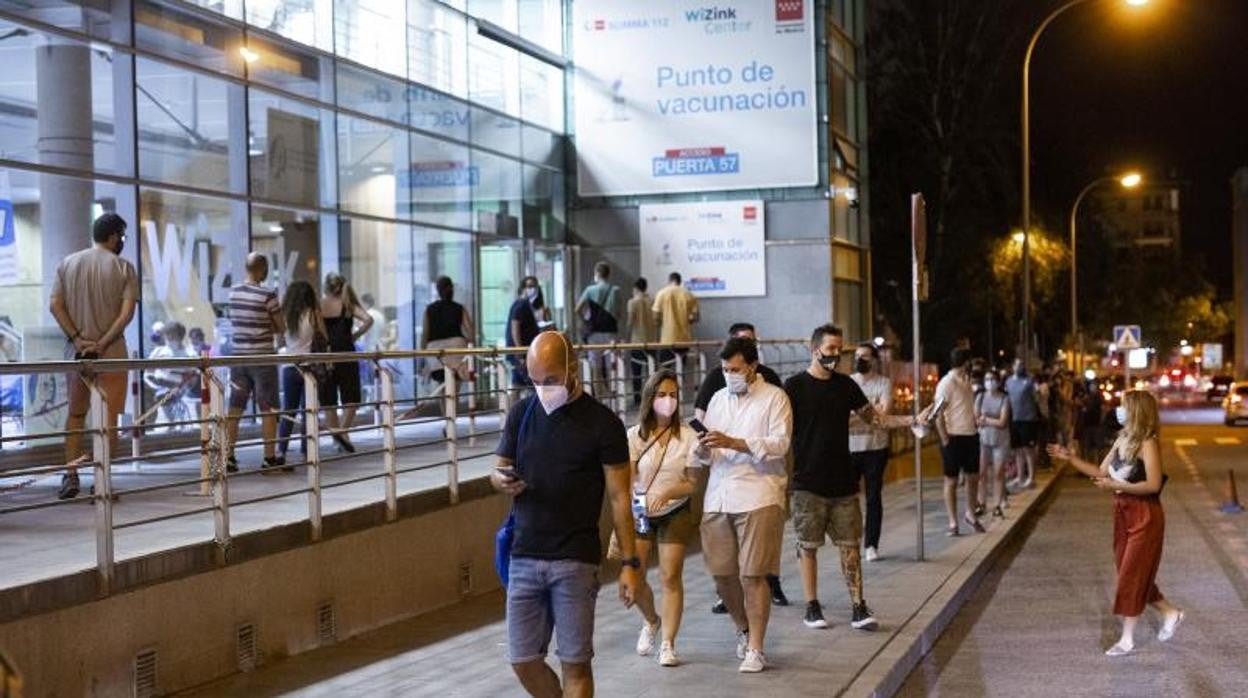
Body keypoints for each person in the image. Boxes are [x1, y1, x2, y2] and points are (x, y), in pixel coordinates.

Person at [490, 331, 639, 697]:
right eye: (535, 381)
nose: (543, 388)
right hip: (525, 554)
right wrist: (500, 480)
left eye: (551, 380)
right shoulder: (521, 414)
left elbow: (620, 498)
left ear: (573, 368)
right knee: (523, 659)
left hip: (575, 559)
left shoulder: (603, 424)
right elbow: (498, 467)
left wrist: (630, 565)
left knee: (575, 662)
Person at [1047, 390, 1184, 657]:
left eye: (1123, 406)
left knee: (1131, 575)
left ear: (1136, 412)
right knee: (1129, 572)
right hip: (1122, 513)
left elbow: (1153, 485)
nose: (1118, 410)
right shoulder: (1123, 439)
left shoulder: (1148, 443)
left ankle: (1127, 639)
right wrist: (1070, 458)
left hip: (1145, 515)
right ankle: (1171, 612)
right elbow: (1100, 471)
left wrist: (1117, 485)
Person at [695, 336, 792, 673]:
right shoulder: (718, 399)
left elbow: (780, 444)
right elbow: (707, 452)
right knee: (722, 575)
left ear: (752, 366)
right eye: (724, 369)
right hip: (718, 493)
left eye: (735, 369)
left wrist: (735, 441)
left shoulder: (775, 398)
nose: (729, 374)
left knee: (753, 574)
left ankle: (757, 648)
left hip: (759, 493)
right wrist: (703, 447)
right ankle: (743, 628)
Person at [786, 326, 880, 632]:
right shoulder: (795, 387)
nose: (836, 355)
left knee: (850, 544)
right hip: (807, 482)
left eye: (840, 349)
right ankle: (812, 606)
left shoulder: (846, 386)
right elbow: (779, 430)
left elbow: (874, 418)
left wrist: (913, 420)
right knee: (807, 545)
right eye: (830, 349)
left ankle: (858, 606)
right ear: (815, 350)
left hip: (843, 482)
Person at [48, 213, 139, 499]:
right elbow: (126, 315)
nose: (122, 242)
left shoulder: (68, 264)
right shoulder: (123, 267)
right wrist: (101, 343)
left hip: (75, 354)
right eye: (122, 237)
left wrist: (77, 338)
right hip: (111, 353)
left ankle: (70, 475)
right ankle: (101, 481)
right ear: (113, 236)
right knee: (108, 420)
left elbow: (55, 305)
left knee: (75, 414)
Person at [625, 369, 701, 667]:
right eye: (661, 395)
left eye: (673, 395)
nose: (668, 401)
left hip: (675, 510)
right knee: (637, 574)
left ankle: (668, 643)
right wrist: (639, 502)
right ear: (649, 398)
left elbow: (693, 483)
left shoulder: (689, 436)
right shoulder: (634, 436)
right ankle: (652, 621)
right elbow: (628, 479)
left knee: (670, 576)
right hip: (642, 510)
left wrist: (669, 491)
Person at [224, 253, 285, 473]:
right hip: (262, 358)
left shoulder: (233, 293)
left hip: (238, 358)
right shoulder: (268, 294)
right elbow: (280, 326)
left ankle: (228, 456)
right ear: (263, 269)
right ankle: (269, 458)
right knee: (268, 407)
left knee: (235, 407)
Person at [849, 342, 896, 563]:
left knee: (873, 497)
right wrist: (870, 409)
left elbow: (883, 415)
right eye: (858, 355)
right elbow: (843, 417)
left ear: (874, 359)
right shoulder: (848, 382)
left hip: (876, 448)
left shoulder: (884, 383)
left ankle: (871, 544)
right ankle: (851, 541)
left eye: (865, 356)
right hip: (850, 448)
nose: (860, 359)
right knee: (849, 498)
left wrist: (858, 413)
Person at [320, 272, 373, 453]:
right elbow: (368, 319)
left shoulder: (320, 305)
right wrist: (355, 336)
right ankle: (342, 433)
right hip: (346, 353)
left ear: (326, 287)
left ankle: (338, 437)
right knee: (351, 397)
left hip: (325, 354)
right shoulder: (348, 304)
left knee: (329, 399)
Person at [932, 347, 983, 536]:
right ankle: (953, 522)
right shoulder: (947, 383)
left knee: (973, 477)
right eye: (969, 362)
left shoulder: (966, 380)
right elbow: (937, 413)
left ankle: (970, 514)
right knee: (951, 481)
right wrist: (945, 439)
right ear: (964, 363)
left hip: (970, 435)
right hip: (953, 437)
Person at [277, 280, 324, 467]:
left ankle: (281, 451)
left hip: (289, 367)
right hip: (309, 368)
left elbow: (280, 342)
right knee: (308, 411)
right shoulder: (314, 314)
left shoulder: (285, 316)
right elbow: (324, 337)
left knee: (288, 410)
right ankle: (307, 452)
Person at [420, 276, 475, 391]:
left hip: (436, 351)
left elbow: (425, 334)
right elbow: (471, 332)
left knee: (442, 385)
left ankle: (445, 409)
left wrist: (422, 356)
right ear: (452, 289)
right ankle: (453, 408)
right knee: (455, 384)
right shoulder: (459, 308)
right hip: (456, 348)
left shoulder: (429, 309)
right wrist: (470, 343)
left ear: (438, 290)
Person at [575, 261, 621, 397]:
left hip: (594, 334)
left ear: (597, 274)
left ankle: (599, 398)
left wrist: (586, 320)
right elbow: (619, 313)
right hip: (610, 333)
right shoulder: (615, 290)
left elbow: (577, 309)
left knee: (596, 368)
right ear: (608, 274)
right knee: (611, 366)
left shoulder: (590, 290)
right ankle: (613, 398)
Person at [145, 321, 197, 427]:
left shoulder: (189, 354)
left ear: (180, 336)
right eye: (167, 334)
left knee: (178, 423)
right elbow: (148, 373)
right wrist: (156, 386)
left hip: (180, 392)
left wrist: (181, 388)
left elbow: (193, 377)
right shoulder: (158, 352)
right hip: (159, 391)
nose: (169, 338)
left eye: (172, 334)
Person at [975, 369, 1011, 518]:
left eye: (992, 379)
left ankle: (997, 505)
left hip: (1000, 441)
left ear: (998, 381)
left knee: (998, 473)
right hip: (984, 440)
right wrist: (985, 421)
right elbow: (976, 419)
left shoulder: (1004, 399)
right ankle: (981, 503)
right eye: (987, 379)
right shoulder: (980, 397)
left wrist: (987, 420)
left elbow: (1003, 422)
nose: (990, 382)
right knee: (981, 473)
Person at [651, 272, 699, 381]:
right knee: (680, 370)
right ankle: (679, 393)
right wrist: (686, 321)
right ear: (680, 281)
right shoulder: (688, 294)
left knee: (664, 371)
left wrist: (660, 324)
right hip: (684, 339)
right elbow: (695, 317)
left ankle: (666, 394)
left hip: (667, 339)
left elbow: (655, 315)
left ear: (669, 280)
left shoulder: (662, 293)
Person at [1005, 358, 1041, 489]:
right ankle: (1020, 477)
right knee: (1018, 450)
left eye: (1021, 364)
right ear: (1012, 366)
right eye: (1017, 364)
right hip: (1015, 419)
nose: (1019, 366)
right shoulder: (1008, 381)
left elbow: (1037, 396)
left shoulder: (1030, 381)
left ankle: (1031, 477)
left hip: (1028, 419)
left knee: (1028, 450)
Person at [505, 276, 543, 391]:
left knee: (518, 384)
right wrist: (520, 352)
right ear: (522, 288)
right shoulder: (521, 304)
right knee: (532, 385)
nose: (533, 289)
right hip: (521, 353)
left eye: (535, 286)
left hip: (522, 352)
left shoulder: (525, 305)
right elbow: (515, 326)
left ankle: (515, 408)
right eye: (530, 286)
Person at [626, 277, 656, 403]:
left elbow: (630, 322)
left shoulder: (632, 302)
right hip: (652, 341)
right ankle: (652, 396)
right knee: (652, 371)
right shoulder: (652, 301)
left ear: (635, 288)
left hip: (637, 341)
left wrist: (626, 337)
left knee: (637, 372)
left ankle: (637, 397)